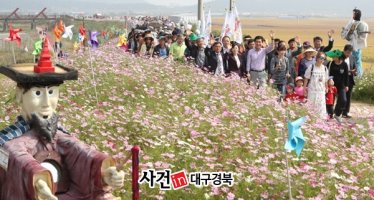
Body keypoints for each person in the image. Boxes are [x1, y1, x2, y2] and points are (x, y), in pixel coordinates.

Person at [0, 39, 125, 199]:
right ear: (19, 95)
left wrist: (104, 172)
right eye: (37, 93)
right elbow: (19, 159)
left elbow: (80, 152)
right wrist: (38, 183)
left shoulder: (58, 134)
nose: (46, 102)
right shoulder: (7, 142)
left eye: (51, 92)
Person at [341, 8, 369, 77]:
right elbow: (346, 35)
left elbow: (363, 36)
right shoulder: (352, 23)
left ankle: (358, 76)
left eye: (354, 13)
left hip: (356, 46)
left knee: (357, 61)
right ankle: (352, 75)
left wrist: (355, 34)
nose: (352, 15)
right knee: (351, 61)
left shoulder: (362, 24)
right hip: (352, 45)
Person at [304, 52, 329, 119]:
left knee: (320, 105)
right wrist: (304, 89)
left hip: (321, 90)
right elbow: (306, 78)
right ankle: (310, 119)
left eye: (324, 58)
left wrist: (326, 87)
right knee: (311, 105)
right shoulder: (311, 67)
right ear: (317, 58)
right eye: (321, 58)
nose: (322, 60)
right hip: (312, 90)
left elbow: (326, 79)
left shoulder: (325, 68)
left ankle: (321, 120)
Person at [326, 49, 349, 123]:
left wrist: (346, 85)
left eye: (334, 56)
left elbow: (346, 76)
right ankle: (330, 115)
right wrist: (329, 80)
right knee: (330, 101)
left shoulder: (344, 64)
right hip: (332, 85)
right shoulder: (330, 64)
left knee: (343, 100)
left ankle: (337, 113)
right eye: (332, 57)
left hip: (341, 85)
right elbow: (327, 73)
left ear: (339, 57)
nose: (333, 58)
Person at [342, 44, 357, 118]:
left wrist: (354, 71)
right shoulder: (339, 58)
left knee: (348, 96)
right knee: (342, 96)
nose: (348, 54)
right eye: (347, 52)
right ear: (344, 51)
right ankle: (339, 111)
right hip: (341, 79)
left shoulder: (352, 58)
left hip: (350, 79)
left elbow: (355, 68)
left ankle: (346, 112)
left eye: (350, 52)